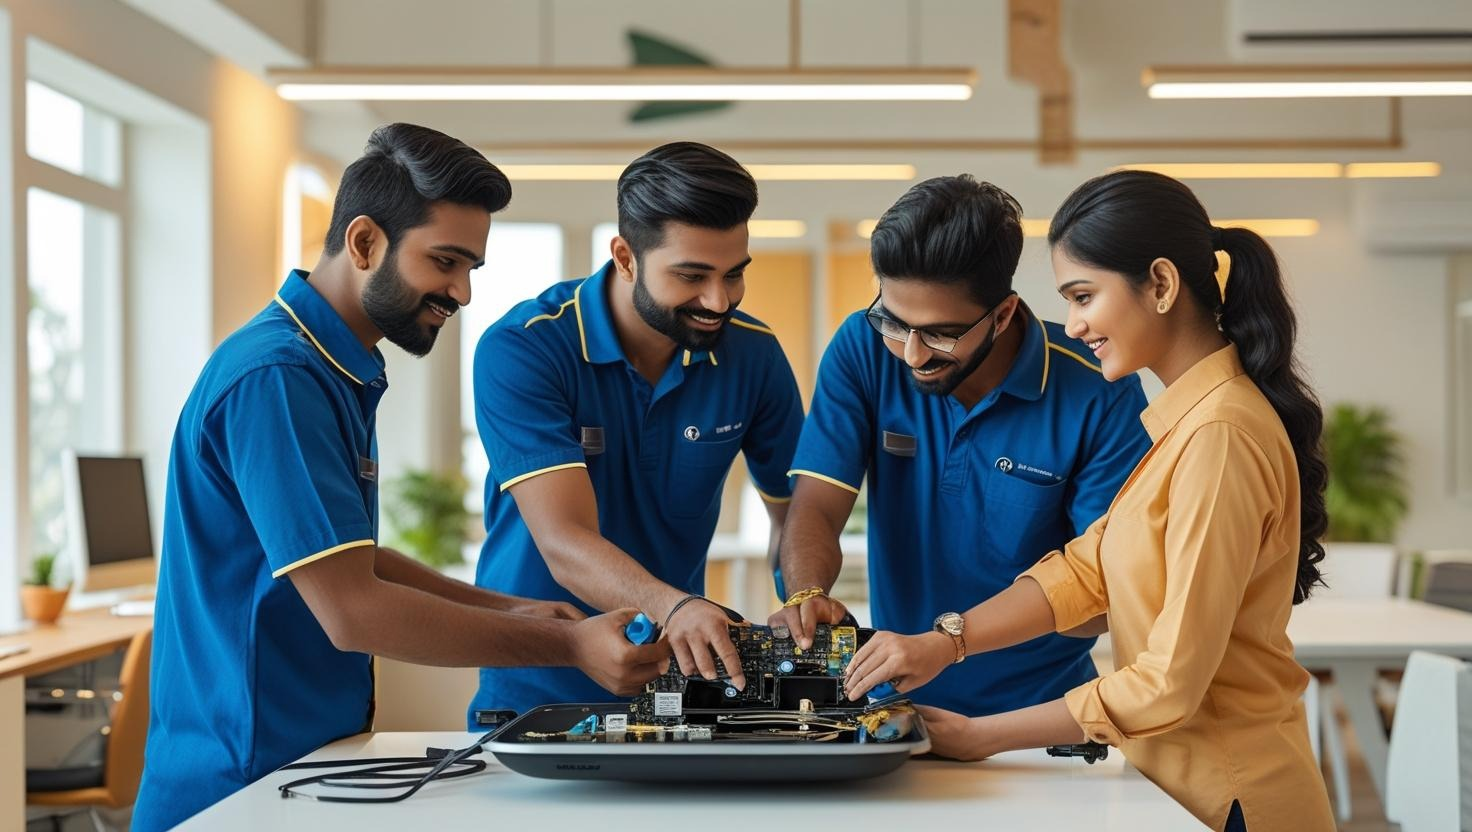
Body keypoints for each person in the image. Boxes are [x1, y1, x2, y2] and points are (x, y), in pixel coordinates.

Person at [133, 124, 666, 831]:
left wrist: (516, 610)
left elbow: (351, 559)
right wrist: (567, 645)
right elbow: (353, 611)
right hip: (236, 787)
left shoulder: (333, 368)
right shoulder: (280, 378)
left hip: (301, 770)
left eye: (472, 266)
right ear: (363, 242)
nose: (463, 291)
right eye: (445, 261)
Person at [842, 170, 1336, 831]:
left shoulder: (1219, 435)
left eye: (1083, 297)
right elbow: (1085, 571)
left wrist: (981, 735)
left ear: (1159, 285)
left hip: (1231, 797)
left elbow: (1168, 682)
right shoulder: (1183, 424)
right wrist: (945, 642)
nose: (1072, 325)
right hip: (1178, 788)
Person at [771, 175, 1151, 717]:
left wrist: (952, 642)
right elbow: (816, 504)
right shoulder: (863, 346)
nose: (911, 354)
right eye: (893, 322)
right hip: (898, 709)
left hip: (1039, 720)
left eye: (940, 334)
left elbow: (1102, 593)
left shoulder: (1099, 390)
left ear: (1001, 314)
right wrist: (806, 594)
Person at [467, 142, 805, 720]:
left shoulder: (756, 356)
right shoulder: (524, 348)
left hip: (676, 695)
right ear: (625, 256)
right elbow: (563, 541)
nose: (718, 300)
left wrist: (800, 594)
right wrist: (677, 608)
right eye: (691, 275)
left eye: (734, 274)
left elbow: (793, 517)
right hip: (536, 695)